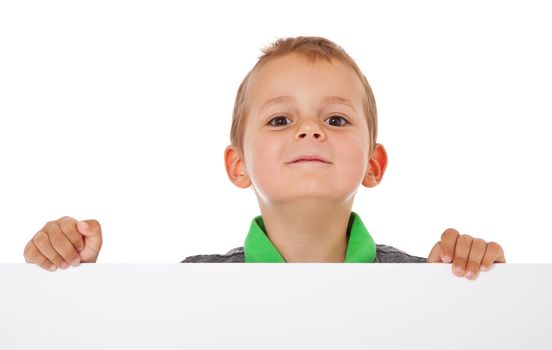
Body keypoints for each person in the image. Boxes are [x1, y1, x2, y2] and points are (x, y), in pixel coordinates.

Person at [22, 36, 506, 280]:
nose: (310, 129)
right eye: (280, 120)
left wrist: (474, 286)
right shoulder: (195, 283)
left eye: (336, 120)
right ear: (238, 165)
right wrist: (74, 280)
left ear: (374, 164)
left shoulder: (425, 281)